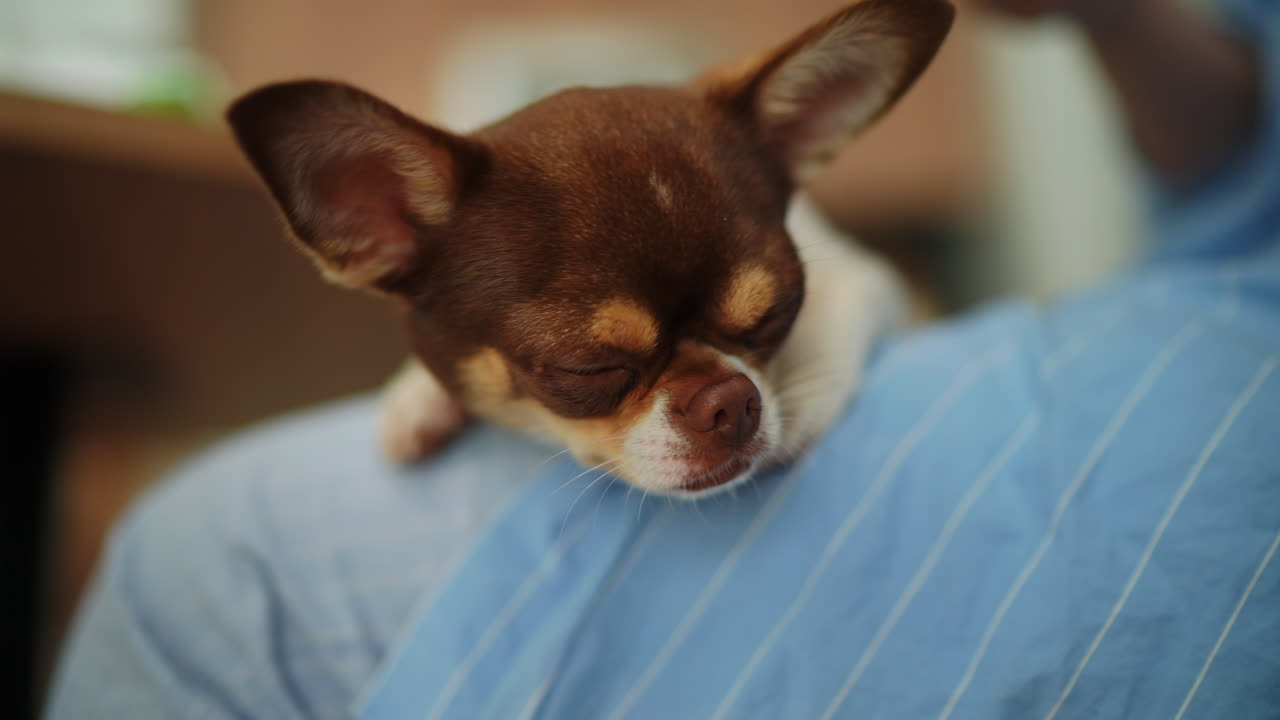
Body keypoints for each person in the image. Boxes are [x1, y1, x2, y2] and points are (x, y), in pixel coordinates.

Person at [47, 0, 1280, 717]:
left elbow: (861, 299)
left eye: (760, 322)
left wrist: (586, 375)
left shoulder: (796, 254)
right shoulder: (451, 268)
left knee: (199, 567)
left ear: (797, 146)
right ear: (378, 226)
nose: (722, 403)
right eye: (592, 370)